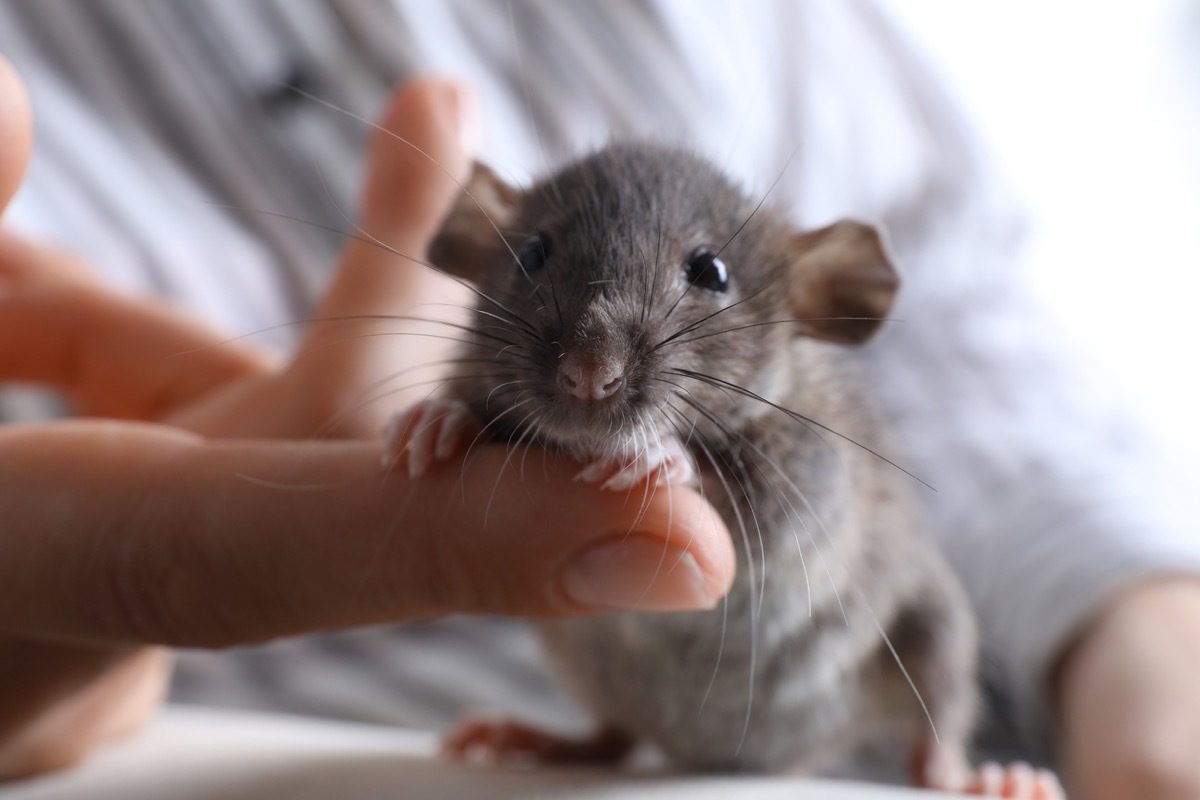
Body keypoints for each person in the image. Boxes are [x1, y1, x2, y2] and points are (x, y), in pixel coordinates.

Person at [0, 2, 1198, 798]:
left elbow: (964, 300)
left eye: (706, 281)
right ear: (485, 243)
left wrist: (1147, 629)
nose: (591, 363)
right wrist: (451, 423)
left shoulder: (799, 425)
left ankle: (949, 749)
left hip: (879, 736)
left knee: (932, 612)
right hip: (375, 750)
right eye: (536, 266)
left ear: (809, 297)